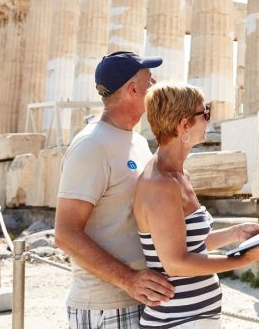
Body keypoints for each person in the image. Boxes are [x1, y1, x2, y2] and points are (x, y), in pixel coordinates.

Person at [134, 82, 259, 328]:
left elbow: (188, 243)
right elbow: (175, 263)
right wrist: (241, 260)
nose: (209, 121)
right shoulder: (161, 184)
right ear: (183, 125)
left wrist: (236, 233)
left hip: (194, 319)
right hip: (178, 321)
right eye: (205, 114)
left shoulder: (178, 175)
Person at [56, 51, 176, 329]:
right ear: (133, 89)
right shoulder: (91, 146)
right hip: (107, 305)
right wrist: (129, 280)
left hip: (142, 298)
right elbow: (65, 234)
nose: (155, 81)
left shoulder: (137, 141)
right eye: (149, 78)